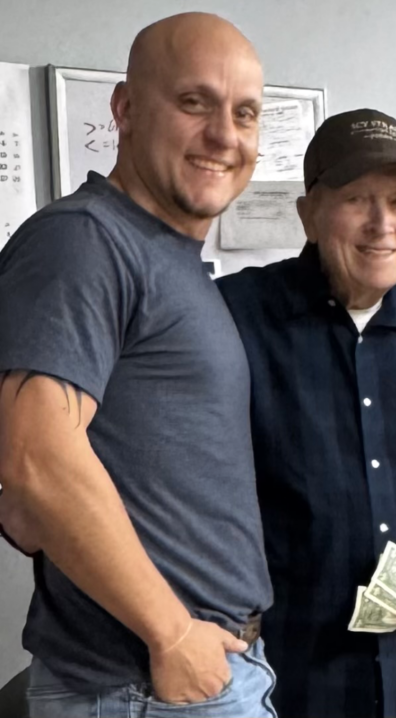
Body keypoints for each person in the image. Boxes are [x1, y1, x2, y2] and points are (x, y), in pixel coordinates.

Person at [0, 12, 276, 718]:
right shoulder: (86, 239)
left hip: (195, 674)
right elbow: (36, 458)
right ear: (124, 109)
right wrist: (172, 634)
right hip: (146, 685)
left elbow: (30, 493)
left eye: (245, 113)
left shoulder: (167, 258)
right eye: (194, 102)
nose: (225, 135)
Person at [216, 108, 396, 718]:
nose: (382, 224)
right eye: (356, 200)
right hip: (280, 679)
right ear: (309, 214)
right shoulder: (234, 316)